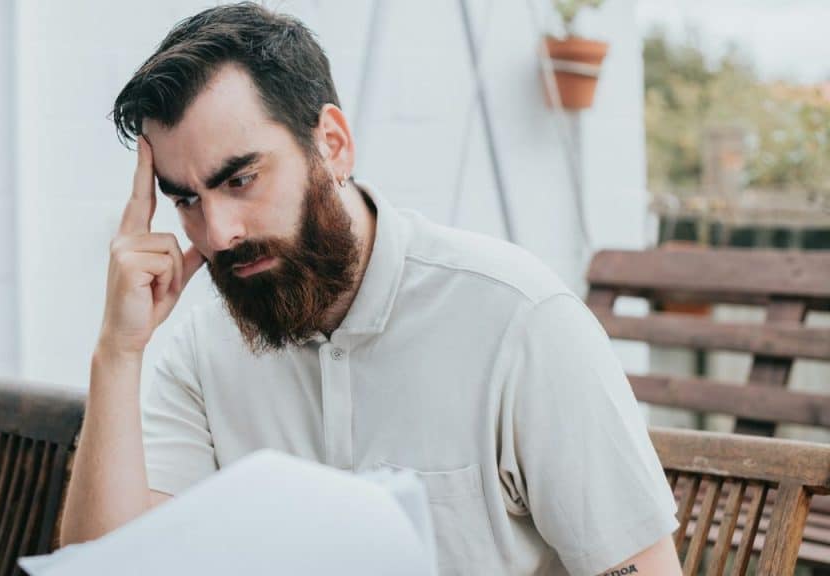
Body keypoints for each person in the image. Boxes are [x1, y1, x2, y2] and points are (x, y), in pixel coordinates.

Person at [59, 3, 682, 575]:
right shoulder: (203, 348)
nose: (218, 234)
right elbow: (110, 566)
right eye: (187, 199)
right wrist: (119, 352)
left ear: (331, 145)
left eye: (242, 180)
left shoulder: (520, 322)